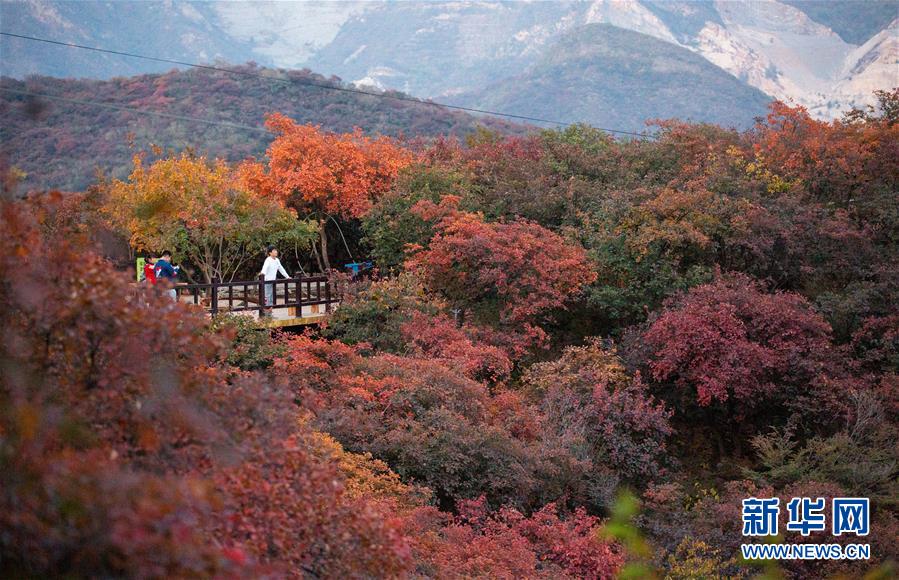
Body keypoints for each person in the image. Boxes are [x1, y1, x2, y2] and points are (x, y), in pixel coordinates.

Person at [259, 245, 289, 315]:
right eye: (274, 251)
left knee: (271, 296)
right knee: (267, 296)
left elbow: (281, 269)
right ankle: (266, 313)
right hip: (267, 280)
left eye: (276, 250)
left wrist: (287, 276)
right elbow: (264, 268)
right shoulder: (268, 260)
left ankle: (269, 313)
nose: (276, 252)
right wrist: (262, 274)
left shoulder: (277, 260)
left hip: (273, 281)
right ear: (270, 253)